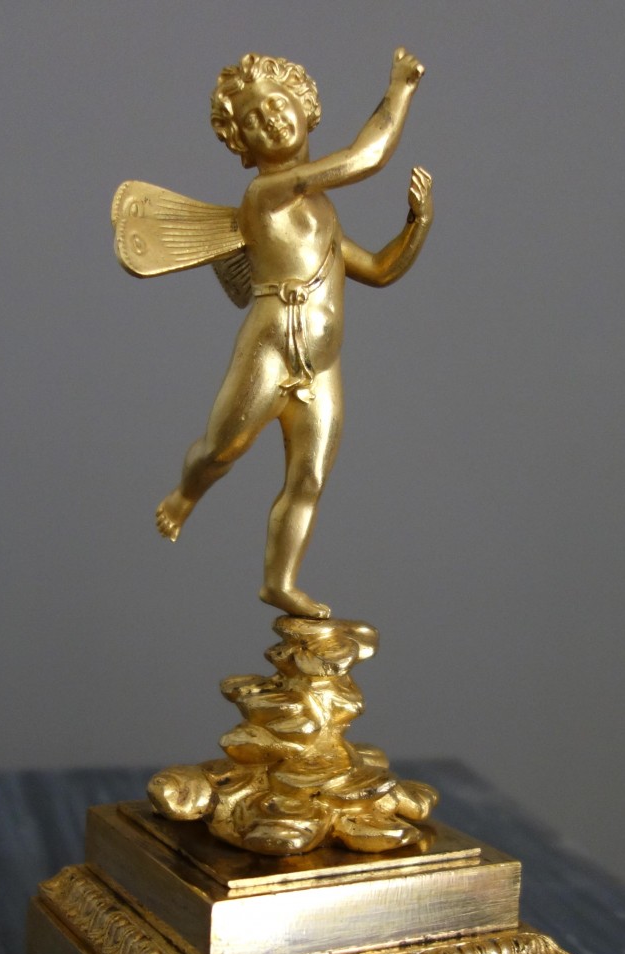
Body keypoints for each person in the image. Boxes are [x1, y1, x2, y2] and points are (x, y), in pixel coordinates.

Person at [155, 48, 433, 619]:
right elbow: (367, 156)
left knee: (308, 478)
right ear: (243, 145)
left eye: (278, 105)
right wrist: (400, 91)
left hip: (322, 367)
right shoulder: (268, 195)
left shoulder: (323, 212)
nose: (271, 121)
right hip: (271, 348)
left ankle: (279, 582)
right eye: (253, 121)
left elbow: (379, 270)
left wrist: (417, 224)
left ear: (305, 108)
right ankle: (186, 493)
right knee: (222, 449)